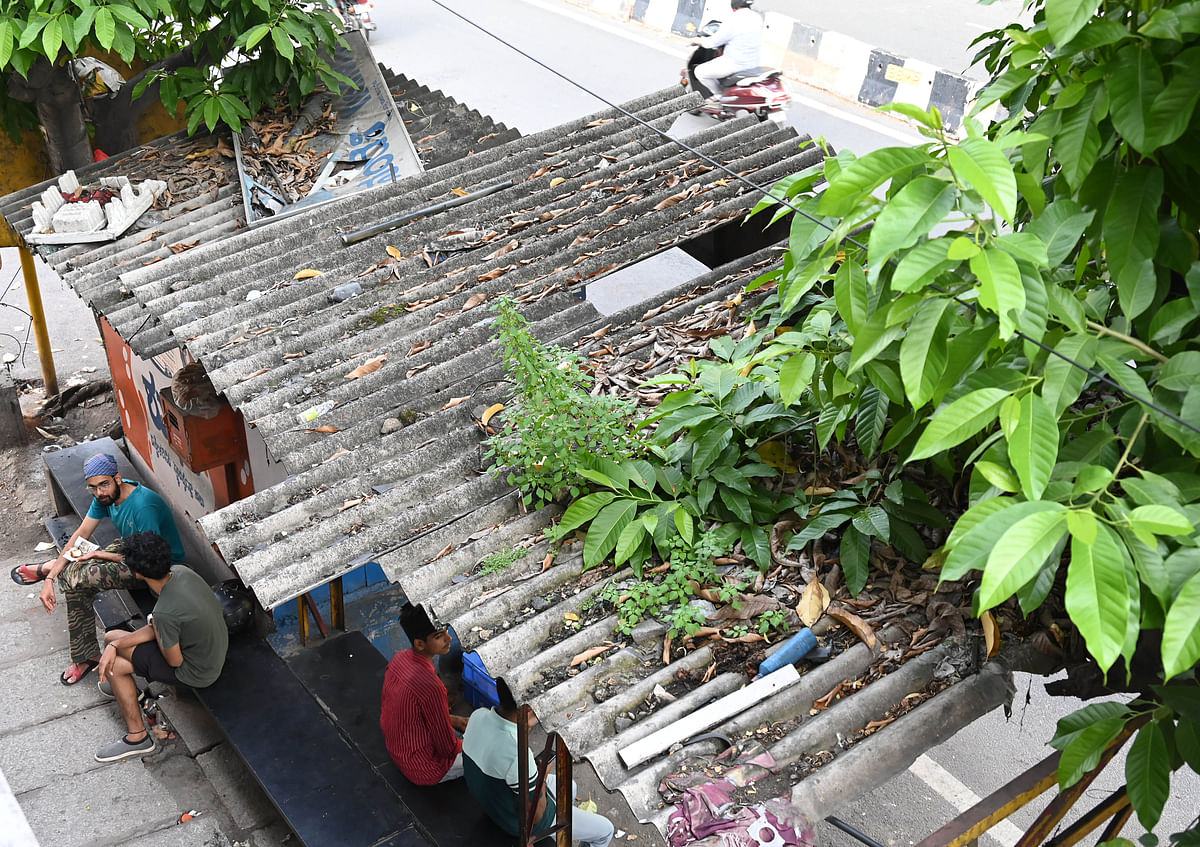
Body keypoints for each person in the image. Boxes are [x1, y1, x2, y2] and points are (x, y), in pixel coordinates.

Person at [10, 452, 187, 685]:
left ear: (118, 478)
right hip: (131, 548)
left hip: (157, 567)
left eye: (104, 484)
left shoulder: (142, 506)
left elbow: (148, 559)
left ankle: (54, 568)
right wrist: (51, 579)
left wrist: (98, 555)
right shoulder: (106, 497)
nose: (99, 492)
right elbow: (81, 534)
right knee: (75, 575)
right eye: (93, 487)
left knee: (77, 577)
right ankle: (86, 654)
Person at [95, 531, 228, 763]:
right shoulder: (181, 572)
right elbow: (160, 624)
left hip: (196, 671)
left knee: (115, 665)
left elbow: (174, 661)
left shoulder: (165, 611)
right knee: (112, 637)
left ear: (137, 574)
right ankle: (123, 688)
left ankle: (138, 738)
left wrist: (118, 647)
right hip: (212, 650)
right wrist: (116, 643)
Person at [463, 678, 614, 847]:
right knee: (606, 830)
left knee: (569, 786)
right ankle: (555, 829)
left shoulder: (478, 715)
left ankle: (560, 836)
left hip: (492, 797)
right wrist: (539, 775)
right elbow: (537, 814)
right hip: (515, 822)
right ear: (528, 709)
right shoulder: (517, 752)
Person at [380, 603, 471, 785]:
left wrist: (453, 720)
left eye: (446, 631)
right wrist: (477, 742)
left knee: (465, 724)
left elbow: (414, 714)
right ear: (420, 644)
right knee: (493, 753)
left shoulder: (399, 659)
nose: (448, 638)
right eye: (439, 636)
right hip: (425, 769)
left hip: (398, 750)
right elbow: (448, 750)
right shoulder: (432, 687)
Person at [693, 0, 764, 101]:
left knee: (699, 72)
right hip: (753, 64)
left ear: (734, 6)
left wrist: (699, 40)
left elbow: (712, 43)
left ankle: (719, 95)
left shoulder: (733, 20)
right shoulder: (757, 17)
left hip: (735, 64)